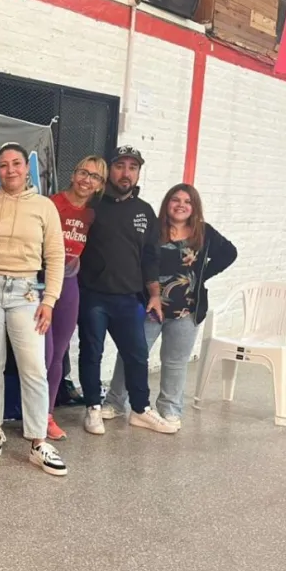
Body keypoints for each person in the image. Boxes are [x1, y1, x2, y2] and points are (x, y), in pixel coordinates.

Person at [0, 143, 67, 476]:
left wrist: (49, 301)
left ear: (27, 168)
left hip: (26, 292)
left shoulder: (44, 206)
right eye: (4, 165)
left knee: (33, 368)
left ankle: (38, 442)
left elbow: (56, 256)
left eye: (17, 163)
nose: (10, 170)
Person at [104, 184, 237, 426]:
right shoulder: (153, 229)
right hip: (149, 306)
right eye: (176, 200)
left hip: (186, 310)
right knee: (131, 356)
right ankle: (115, 402)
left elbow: (229, 253)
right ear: (167, 203)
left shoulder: (203, 232)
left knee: (175, 361)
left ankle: (170, 407)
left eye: (187, 201)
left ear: (194, 207)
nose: (181, 205)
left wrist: (201, 275)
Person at [77, 146, 173, 435]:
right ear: (110, 171)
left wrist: (154, 294)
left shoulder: (144, 211)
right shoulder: (91, 206)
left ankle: (140, 409)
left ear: (138, 173)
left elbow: (150, 257)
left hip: (130, 298)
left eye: (133, 167)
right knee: (91, 353)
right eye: (120, 166)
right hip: (93, 295)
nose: (126, 173)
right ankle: (93, 407)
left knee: (137, 355)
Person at [44, 156, 106, 440]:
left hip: (69, 284)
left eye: (95, 177)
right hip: (41, 281)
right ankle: (29, 410)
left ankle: (46, 415)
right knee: (42, 353)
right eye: (83, 172)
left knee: (58, 353)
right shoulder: (51, 204)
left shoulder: (93, 215)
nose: (87, 180)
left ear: (99, 185)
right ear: (73, 175)